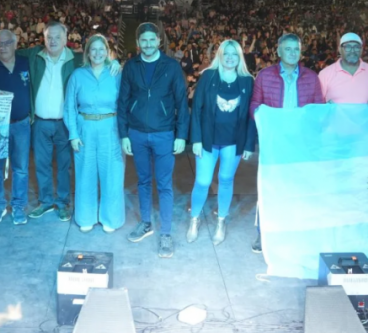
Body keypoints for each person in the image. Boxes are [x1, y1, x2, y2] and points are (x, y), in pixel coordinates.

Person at [0, 21, 119, 222]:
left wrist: (113, 62)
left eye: (57, 37)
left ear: (66, 39)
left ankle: (62, 203)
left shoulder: (77, 58)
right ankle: (45, 202)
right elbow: (6, 49)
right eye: (49, 37)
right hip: (39, 122)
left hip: (64, 122)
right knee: (42, 165)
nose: (53, 41)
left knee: (64, 166)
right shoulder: (34, 55)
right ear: (43, 38)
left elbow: (99, 57)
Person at [117, 22, 189, 258]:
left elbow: (181, 103)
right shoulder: (131, 66)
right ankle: (146, 223)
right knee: (144, 182)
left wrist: (181, 135)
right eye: (143, 41)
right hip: (137, 134)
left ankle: (166, 233)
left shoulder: (171, 66)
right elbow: (123, 102)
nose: (147, 44)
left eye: (152, 40)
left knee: (165, 184)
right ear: (138, 43)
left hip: (164, 134)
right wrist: (124, 134)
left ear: (159, 41)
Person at [249, 33, 323, 253]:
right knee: (268, 188)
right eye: (288, 49)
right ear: (278, 51)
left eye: (296, 49)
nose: (292, 53)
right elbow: (254, 105)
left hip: (300, 143)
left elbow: (318, 110)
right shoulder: (264, 76)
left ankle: (293, 233)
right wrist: (263, 116)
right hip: (274, 143)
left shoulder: (312, 77)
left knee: (298, 188)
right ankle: (263, 235)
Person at [187, 39, 256, 246]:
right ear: (219, 55)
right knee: (203, 181)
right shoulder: (209, 76)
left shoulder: (247, 81)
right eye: (226, 53)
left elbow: (251, 115)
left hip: (233, 142)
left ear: (239, 57)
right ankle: (194, 219)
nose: (230, 57)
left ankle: (221, 221)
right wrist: (196, 139)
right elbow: (197, 108)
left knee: (226, 180)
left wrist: (248, 144)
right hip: (208, 140)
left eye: (234, 54)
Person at [64, 34, 125, 233]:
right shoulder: (77, 76)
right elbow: (70, 107)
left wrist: (125, 134)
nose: (98, 53)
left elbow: (124, 104)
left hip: (111, 128)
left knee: (112, 174)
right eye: (94, 49)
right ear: (87, 52)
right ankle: (86, 216)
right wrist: (73, 134)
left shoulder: (116, 73)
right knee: (85, 173)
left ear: (107, 52)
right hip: (85, 129)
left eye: (102, 49)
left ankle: (110, 218)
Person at [0, 30, 32, 225]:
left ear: (16, 43)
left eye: (7, 43)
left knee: (21, 168)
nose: (3, 47)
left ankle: (19, 207)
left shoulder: (25, 62)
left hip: (21, 124)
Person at [318, 33, 368, 104]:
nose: (352, 51)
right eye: (347, 47)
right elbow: (318, 105)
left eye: (356, 47)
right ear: (339, 49)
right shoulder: (325, 74)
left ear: (361, 49)